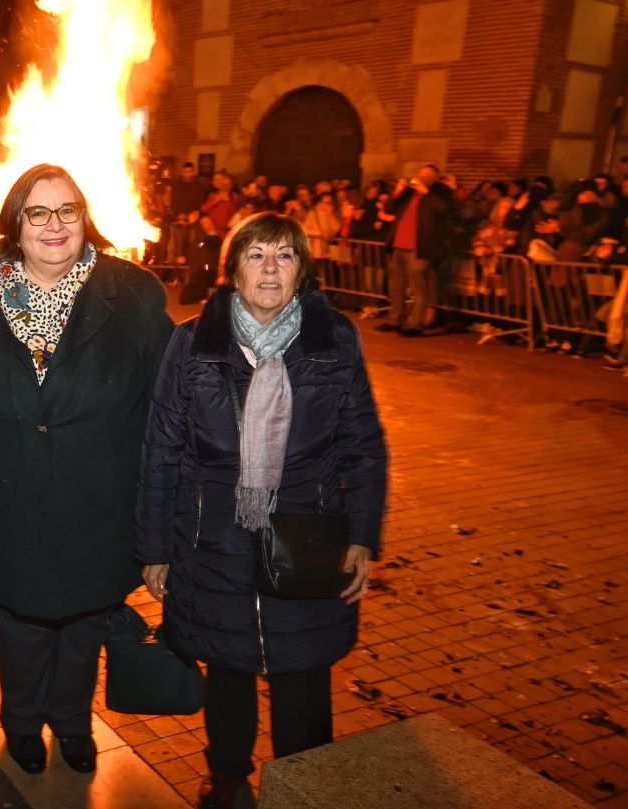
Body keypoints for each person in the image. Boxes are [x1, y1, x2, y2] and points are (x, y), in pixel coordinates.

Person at [136, 212, 387, 809]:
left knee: (303, 673)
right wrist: (153, 549)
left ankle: (305, 783)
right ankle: (226, 777)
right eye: (256, 255)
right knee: (227, 666)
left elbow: (363, 444)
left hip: (308, 538)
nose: (269, 268)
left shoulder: (333, 341)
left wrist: (364, 536)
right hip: (211, 541)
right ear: (232, 271)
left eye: (284, 255)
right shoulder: (193, 343)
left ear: (303, 270)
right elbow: (161, 451)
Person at [0, 164, 173, 776]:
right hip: (11, 498)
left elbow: (169, 407)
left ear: (85, 219)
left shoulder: (131, 293)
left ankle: (72, 721)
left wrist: (169, 518)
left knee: (85, 624)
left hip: (99, 502)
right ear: (14, 225)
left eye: (67, 211)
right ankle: (21, 721)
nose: (54, 225)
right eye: (38, 212)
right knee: (20, 623)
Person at [378, 164, 454, 336]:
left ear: (435, 177)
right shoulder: (409, 194)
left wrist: (425, 193)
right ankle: (394, 319)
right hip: (398, 245)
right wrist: (397, 192)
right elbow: (390, 209)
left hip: (418, 248)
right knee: (396, 286)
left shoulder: (439, 193)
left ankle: (415, 323)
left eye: (427, 174)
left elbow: (445, 210)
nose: (422, 175)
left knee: (418, 287)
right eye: (421, 173)